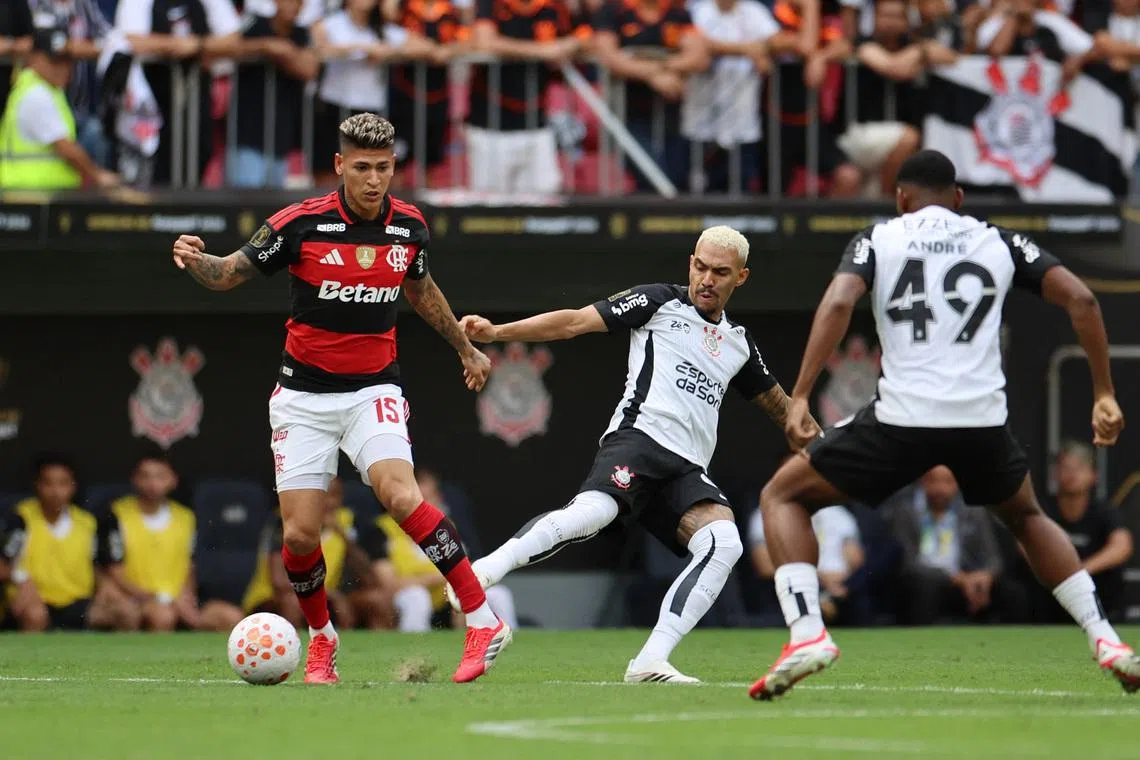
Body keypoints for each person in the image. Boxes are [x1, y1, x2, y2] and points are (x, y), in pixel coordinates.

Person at [749, 149, 1137, 701]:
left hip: (903, 417)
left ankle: (808, 633)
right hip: (980, 418)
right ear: (958, 198)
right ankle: (1107, 641)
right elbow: (1082, 298)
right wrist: (1103, 391)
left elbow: (839, 300)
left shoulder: (879, 237)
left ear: (901, 198)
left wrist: (803, 394)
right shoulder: (997, 239)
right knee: (1027, 517)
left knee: (783, 496)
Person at [168, 113, 508, 685]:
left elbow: (421, 292)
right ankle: (322, 640)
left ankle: (481, 618)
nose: (374, 180)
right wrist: (194, 257)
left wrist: (465, 349)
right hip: (301, 397)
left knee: (399, 493)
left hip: (373, 388)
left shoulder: (408, 228)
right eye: (362, 168)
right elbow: (227, 274)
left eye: (383, 168)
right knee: (300, 537)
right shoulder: (300, 224)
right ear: (340, 166)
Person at [457, 225, 818, 683]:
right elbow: (573, 322)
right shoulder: (658, 302)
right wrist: (497, 331)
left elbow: (783, 409)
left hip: (686, 470)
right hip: (639, 440)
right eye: (700, 266)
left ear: (741, 278)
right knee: (593, 512)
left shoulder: (739, 345)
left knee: (724, 542)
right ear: (691, 261)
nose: (706, 279)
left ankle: (650, 661)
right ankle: (485, 570)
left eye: (720, 272)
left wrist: (828, 451)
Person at [92, 453, 200, 632]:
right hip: (136, 599)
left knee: (225, 617)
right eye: (145, 476)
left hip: (175, 598)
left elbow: (190, 565)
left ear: (173, 480)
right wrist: (154, 598)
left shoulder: (186, 517)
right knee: (162, 616)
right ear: (134, 479)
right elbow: (113, 569)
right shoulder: (116, 514)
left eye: (160, 476)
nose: (152, 483)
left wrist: (186, 597)